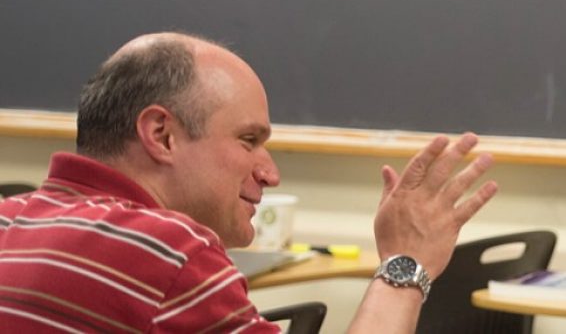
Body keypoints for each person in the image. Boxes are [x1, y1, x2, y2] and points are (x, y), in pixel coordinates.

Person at [0, 32, 498, 333]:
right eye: (248, 139)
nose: (270, 172)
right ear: (162, 135)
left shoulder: (8, 218)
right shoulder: (169, 252)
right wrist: (404, 266)